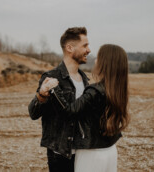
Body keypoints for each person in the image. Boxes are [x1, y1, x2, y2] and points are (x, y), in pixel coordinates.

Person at [41, 44, 130, 172]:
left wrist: (54, 89)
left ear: (105, 63)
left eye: (99, 57)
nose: (95, 60)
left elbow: (69, 111)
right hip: (110, 151)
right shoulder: (118, 91)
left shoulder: (94, 91)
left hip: (91, 155)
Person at [28, 27, 91, 172]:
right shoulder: (51, 77)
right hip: (61, 155)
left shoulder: (85, 80)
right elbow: (33, 113)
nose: (89, 50)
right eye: (85, 45)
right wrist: (42, 96)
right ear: (70, 48)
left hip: (83, 153)